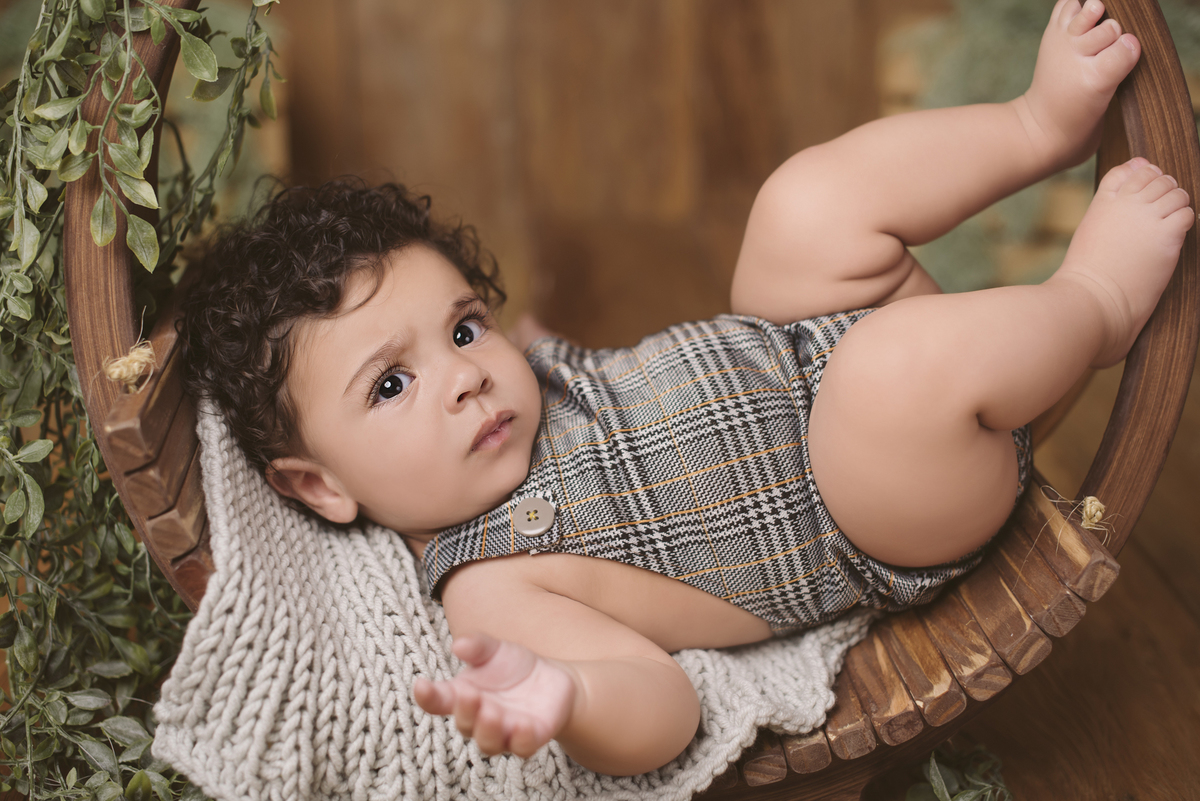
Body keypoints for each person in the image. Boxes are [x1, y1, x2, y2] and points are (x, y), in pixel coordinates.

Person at [179, 0, 1192, 777]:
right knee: (888, 373)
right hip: (875, 504)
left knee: (801, 207)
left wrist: (540, 347)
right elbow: (660, 707)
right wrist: (566, 699)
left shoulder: (518, 396)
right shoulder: (488, 585)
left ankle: (1036, 125)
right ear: (319, 485)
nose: (462, 376)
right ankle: (1095, 303)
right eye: (393, 384)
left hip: (806, 349)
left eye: (462, 327)